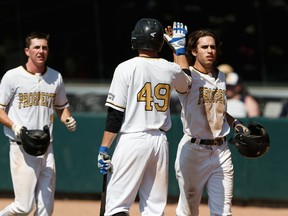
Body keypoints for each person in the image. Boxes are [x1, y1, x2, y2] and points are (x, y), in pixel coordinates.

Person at [97, 18, 192, 216]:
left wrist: (104, 147)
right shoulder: (170, 68)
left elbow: (115, 115)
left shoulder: (126, 67)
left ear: (135, 39)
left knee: (116, 206)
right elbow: (187, 83)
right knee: (154, 209)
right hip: (159, 143)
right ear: (160, 42)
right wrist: (179, 50)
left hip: (133, 138)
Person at [164, 22, 250, 216]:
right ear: (193, 51)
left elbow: (218, 109)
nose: (210, 50)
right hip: (194, 150)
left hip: (221, 151)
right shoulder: (187, 76)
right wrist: (177, 49)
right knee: (188, 211)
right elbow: (180, 72)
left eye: (212, 46)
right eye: (204, 47)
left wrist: (235, 123)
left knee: (223, 211)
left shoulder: (220, 76)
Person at [0, 31, 77, 216]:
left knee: (45, 209)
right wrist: (14, 126)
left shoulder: (55, 77)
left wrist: (67, 118)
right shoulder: (12, 76)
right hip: (22, 147)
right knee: (23, 207)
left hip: (46, 147)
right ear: (27, 51)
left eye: (44, 47)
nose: (41, 51)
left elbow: (61, 107)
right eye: (36, 47)